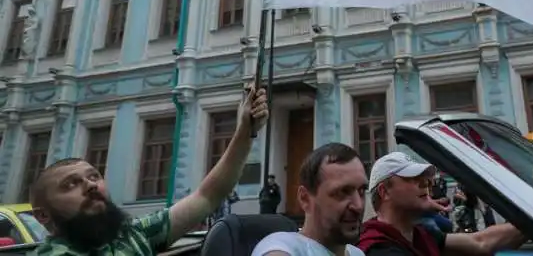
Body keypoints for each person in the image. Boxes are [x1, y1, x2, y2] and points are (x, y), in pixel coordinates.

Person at [31, 83, 268, 256]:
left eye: (94, 176)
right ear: (43, 215)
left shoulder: (132, 234)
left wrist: (245, 132)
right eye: (71, 184)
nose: (91, 185)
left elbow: (207, 196)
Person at [359, 152, 527, 256]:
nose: (426, 183)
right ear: (384, 192)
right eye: (412, 178)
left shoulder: (420, 235)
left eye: (424, 178)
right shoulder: (378, 248)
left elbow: (480, 243)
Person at [252, 142, 368, 256]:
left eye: (362, 191)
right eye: (343, 192)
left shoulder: (357, 253)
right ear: (305, 198)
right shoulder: (282, 247)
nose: (358, 206)